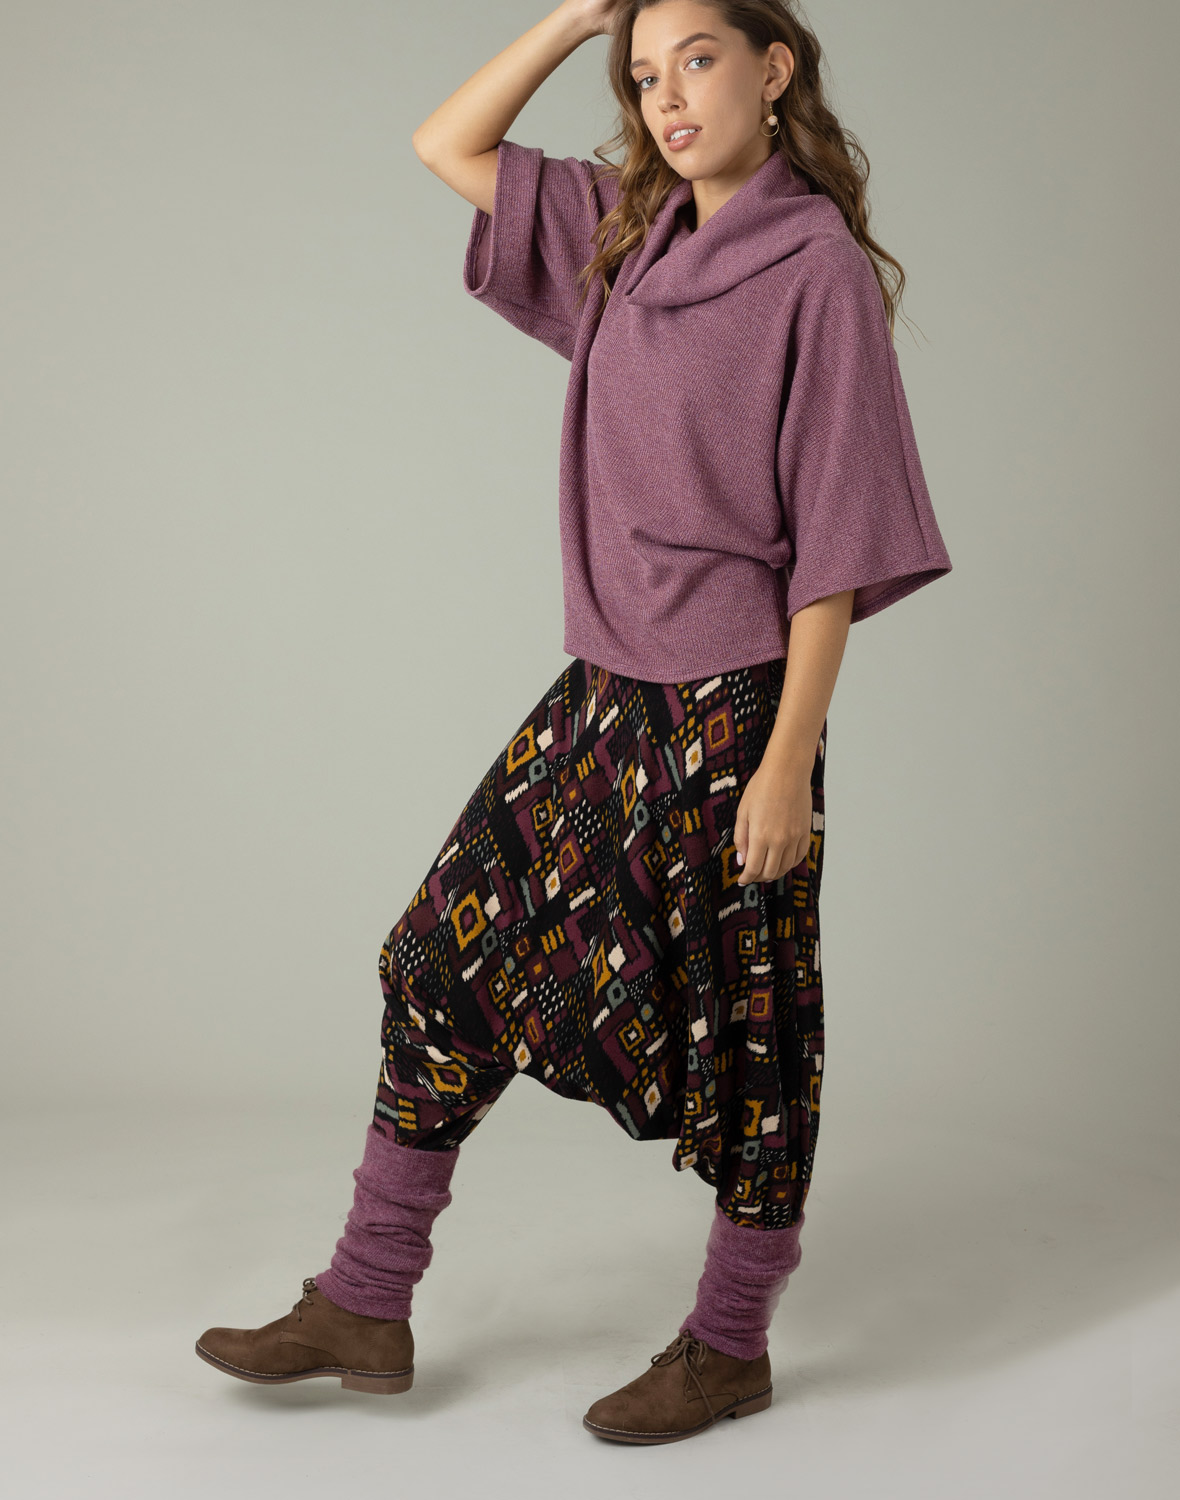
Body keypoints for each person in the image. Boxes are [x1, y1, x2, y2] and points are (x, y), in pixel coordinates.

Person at [194, 0, 953, 1445]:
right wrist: (574, 20)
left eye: (699, 61)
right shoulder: (628, 234)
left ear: (775, 68)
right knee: (439, 954)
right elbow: (448, 143)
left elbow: (838, 548)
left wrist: (788, 763)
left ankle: (728, 1346)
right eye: (645, 76)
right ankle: (366, 1296)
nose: (668, 98)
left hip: (735, 708)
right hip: (608, 686)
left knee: (751, 1036)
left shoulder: (818, 273)